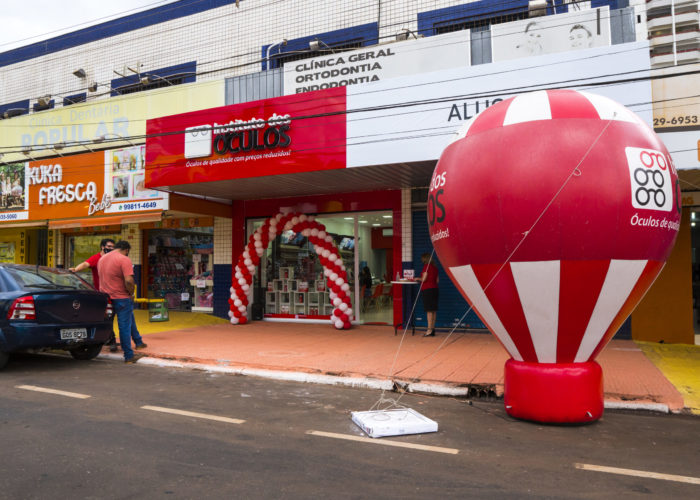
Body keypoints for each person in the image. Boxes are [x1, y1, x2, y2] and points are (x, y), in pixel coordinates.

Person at [98, 240, 148, 363]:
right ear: (126, 250)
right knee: (124, 326)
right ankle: (129, 356)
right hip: (121, 297)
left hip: (106, 297)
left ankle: (138, 341)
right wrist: (131, 293)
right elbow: (129, 281)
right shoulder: (124, 259)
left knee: (121, 320)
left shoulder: (102, 259)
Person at [70, 238, 119, 352]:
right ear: (102, 247)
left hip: (113, 294)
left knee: (110, 318)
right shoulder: (96, 258)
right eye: (109, 246)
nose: (111, 249)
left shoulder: (113, 259)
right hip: (101, 295)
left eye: (113, 247)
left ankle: (110, 339)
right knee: (105, 318)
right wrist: (76, 269)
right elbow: (86, 264)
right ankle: (110, 340)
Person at [416, 252, 439, 337]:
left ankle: (429, 330)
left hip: (427, 290)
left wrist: (417, 278)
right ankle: (432, 329)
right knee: (433, 310)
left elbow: (424, 279)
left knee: (429, 311)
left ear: (425, 259)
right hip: (435, 289)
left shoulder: (426, 267)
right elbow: (437, 281)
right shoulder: (435, 268)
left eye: (422, 259)